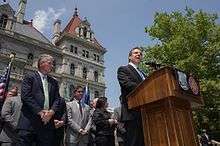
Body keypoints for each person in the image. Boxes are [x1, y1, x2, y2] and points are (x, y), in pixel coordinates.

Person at [17, 54, 61, 146]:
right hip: (29, 124)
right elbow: (26, 96)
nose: (52, 66)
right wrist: (41, 112)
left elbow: (57, 99)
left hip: (46, 125)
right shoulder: (30, 77)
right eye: (50, 63)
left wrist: (51, 112)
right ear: (41, 64)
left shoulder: (54, 82)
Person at [117, 47, 145, 146]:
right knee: (133, 142)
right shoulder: (123, 69)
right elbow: (127, 84)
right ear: (129, 57)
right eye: (136, 53)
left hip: (144, 112)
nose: (138, 55)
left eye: (140, 54)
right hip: (132, 112)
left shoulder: (142, 73)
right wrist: (145, 87)